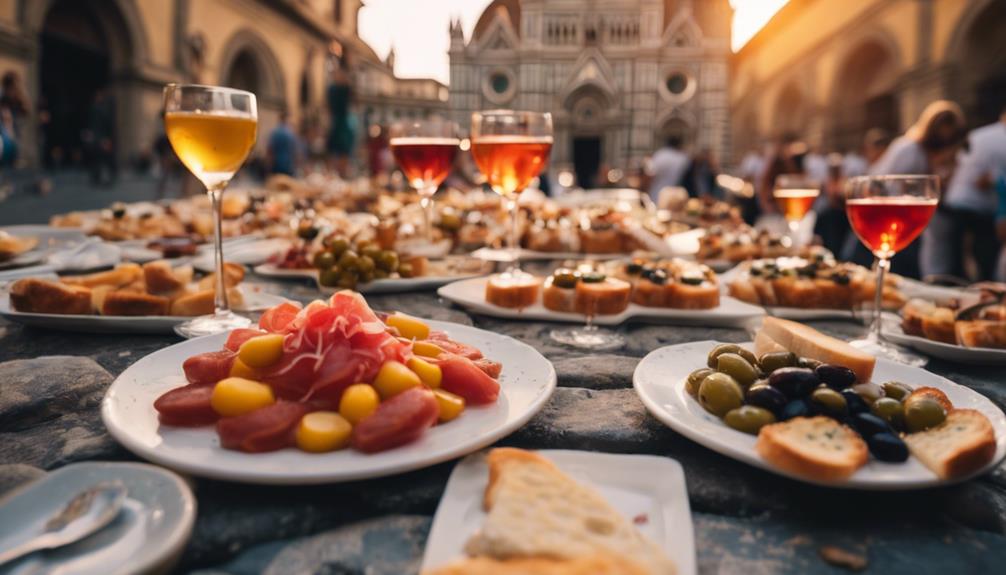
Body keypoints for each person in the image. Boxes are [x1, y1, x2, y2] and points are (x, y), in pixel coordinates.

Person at [842, 100, 967, 278]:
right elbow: (884, 185)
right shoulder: (909, 149)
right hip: (883, 218)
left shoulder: (936, 155)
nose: (946, 137)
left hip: (903, 225)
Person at [921, 107, 1006, 281]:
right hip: (976, 207)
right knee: (974, 258)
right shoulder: (996, 137)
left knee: (956, 256)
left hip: (955, 201)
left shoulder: (978, 136)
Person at [326, 56, 356, 177]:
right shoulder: (332, 89)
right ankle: (333, 175)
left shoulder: (344, 89)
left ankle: (339, 174)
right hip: (336, 121)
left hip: (341, 122)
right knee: (334, 148)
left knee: (342, 149)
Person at [82, 88, 116, 186]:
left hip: (98, 137)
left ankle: (100, 178)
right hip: (99, 137)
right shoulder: (99, 109)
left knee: (99, 158)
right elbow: (105, 124)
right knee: (101, 158)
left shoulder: (96, 109)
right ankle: (101, 178)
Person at [648, 135, 690, 202]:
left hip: (656, 192)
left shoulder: (660, 154)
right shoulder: (683, 158)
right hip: (675, 195)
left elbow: (650, 174)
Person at [267, 111, 300, 177]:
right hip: (288, 165)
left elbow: (270, 149)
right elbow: (295, 151)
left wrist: (269, 165)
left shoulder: (275, 132)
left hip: (276, 165)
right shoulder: (291, 133)